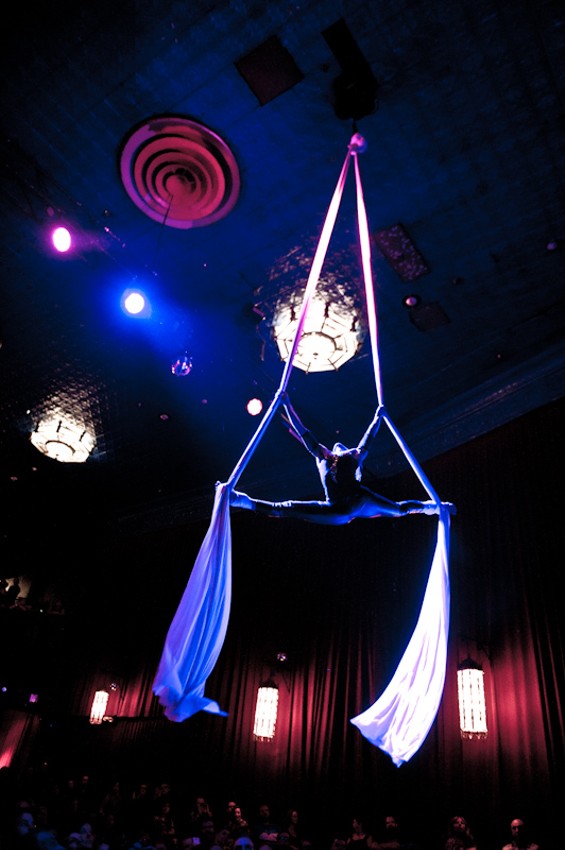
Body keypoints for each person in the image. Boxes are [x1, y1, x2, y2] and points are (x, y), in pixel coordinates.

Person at [230, 394, 456, 525]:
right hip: (341, 508)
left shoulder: (336, 456)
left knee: (398, 509)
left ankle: (433, 507)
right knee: (286, 508)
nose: (338, 447)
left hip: (354, 503)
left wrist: (378, 418)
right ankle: (242, 501)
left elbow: (365, 439)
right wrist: (287, 405)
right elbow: (304, 431)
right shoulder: (335, 456)